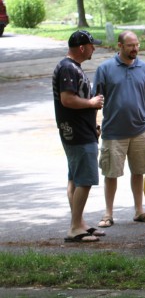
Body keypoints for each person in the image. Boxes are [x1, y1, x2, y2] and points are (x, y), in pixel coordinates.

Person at [93, 30, 145, 227]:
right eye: (131, 45)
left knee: (139, 172)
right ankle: (108, 214)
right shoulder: (105, 69)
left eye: (137, 44)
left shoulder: (144, 68)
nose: (135, 49)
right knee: (111, 173)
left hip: (141, 131)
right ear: (120, 46)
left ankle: (139, 210)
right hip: (114, 131)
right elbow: (95, 100)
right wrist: (94, 124)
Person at [53, 30, 105, 242]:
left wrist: (93, 126)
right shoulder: (67, 68)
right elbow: (67, 99)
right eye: (92, 45)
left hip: (82, 129)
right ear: (82, 47)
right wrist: (92, 103)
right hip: (77, 132)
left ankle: (79, 222)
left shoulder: (72, 67)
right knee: (84, 180)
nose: (95, 48)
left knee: (75, 178)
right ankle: (75, 227)